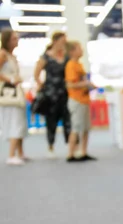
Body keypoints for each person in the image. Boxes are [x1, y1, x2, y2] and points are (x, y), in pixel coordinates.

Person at [34, 31, 70, 159]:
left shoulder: (66, 57)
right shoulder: (46, 57)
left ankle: (71, 147)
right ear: (55, 41)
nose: (64, 43)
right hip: (50, 94)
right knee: (51, 121)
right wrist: (41, 86)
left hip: (65, 93)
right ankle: (50, 146)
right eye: (62, 40)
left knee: (68, 120)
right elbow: (36, 73)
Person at [64, 41, 96, 162]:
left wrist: (89, 85)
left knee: (86, 127)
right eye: (79, 48)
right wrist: (85, 83)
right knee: (76, 127)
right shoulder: (71, 65)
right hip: (76, 100)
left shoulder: (79, 65)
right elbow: (70, 84)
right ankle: (71, 154)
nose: (82, 50)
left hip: (84, 100)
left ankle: (83, 152)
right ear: (72, 51)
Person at [0, 28, 28, 165]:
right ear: (7, 40)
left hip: (17, 92)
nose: (17, 41)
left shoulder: (13, 56)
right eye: (14, 38)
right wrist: (10, 80)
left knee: (20, 121)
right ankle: (11, 155)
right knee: (13, 122)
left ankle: (20, 153)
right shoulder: (2, 55)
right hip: (8, 93)